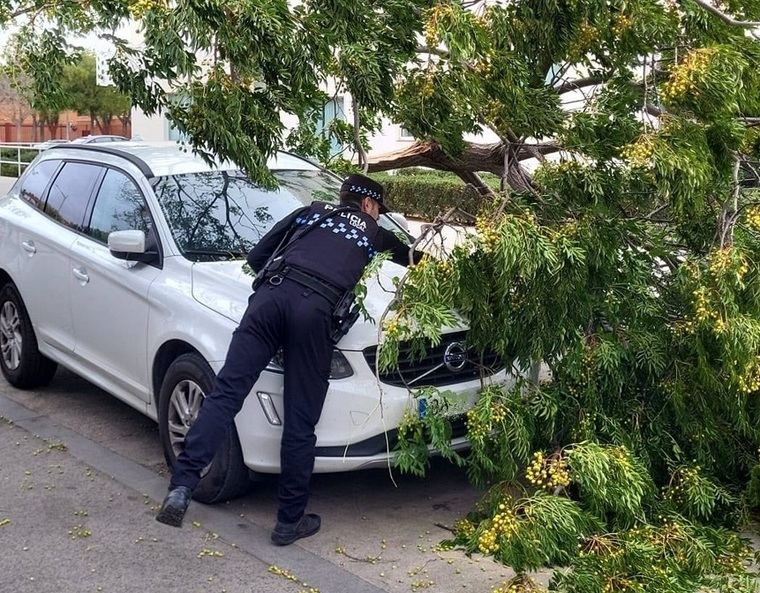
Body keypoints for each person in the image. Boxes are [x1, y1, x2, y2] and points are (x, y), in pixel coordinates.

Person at [156, 173, 422, 545]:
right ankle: (288, 523)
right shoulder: (374, 233)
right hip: (314, 312)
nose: (377, 215)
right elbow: (416, 261)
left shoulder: (308, 213)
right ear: (367, 204)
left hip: (269, 299)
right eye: (378, 209)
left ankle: (181, 487)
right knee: (300, 420)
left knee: (226, 393)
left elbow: (256, 257)